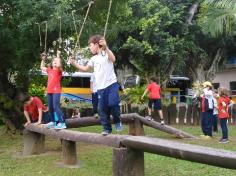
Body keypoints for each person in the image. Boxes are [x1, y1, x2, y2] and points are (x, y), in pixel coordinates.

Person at [69, 35, 122, 135]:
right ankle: (107, 129)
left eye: (90, 45)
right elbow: (85, 69)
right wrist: (74, 63)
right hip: (101, 89)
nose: (90, 48)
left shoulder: (106, 53)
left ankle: (117, 120)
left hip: (112, 84)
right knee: (102, 109)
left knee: (113, 104)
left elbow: (113, 59)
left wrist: (106, 47)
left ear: (97, 44)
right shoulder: (93, 59)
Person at [40, 50, 66, 129]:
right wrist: (43, 59)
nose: (54, 61)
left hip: (56, 91)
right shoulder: (49, 70)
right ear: (51, 64)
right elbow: (41, 67)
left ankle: (62, 123)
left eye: (56, 61)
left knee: (56, 106)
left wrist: (58, 55)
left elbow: (59, 65)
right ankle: (53, 122)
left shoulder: (59, 71)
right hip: (49, 91)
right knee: (50, 107)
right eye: (53, 61)